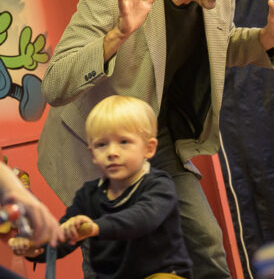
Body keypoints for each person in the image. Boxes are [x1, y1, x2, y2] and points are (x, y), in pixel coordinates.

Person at [38, 0, 274, 278]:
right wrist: (117, 35)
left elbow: (218, 46)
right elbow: (55, 84)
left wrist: (266, 38)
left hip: (156, 138)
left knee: (205, 239)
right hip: (97, 144)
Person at [10, 95, 191, 278]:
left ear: (148, 148)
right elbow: (63, 238)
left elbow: (142, 218)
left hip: (160, 274)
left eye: (124, 142)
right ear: (93, 154)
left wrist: (96, 227)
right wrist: (35, 247)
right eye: (102, 145)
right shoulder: (88, 195)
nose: (112, 152)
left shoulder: (159, 185)